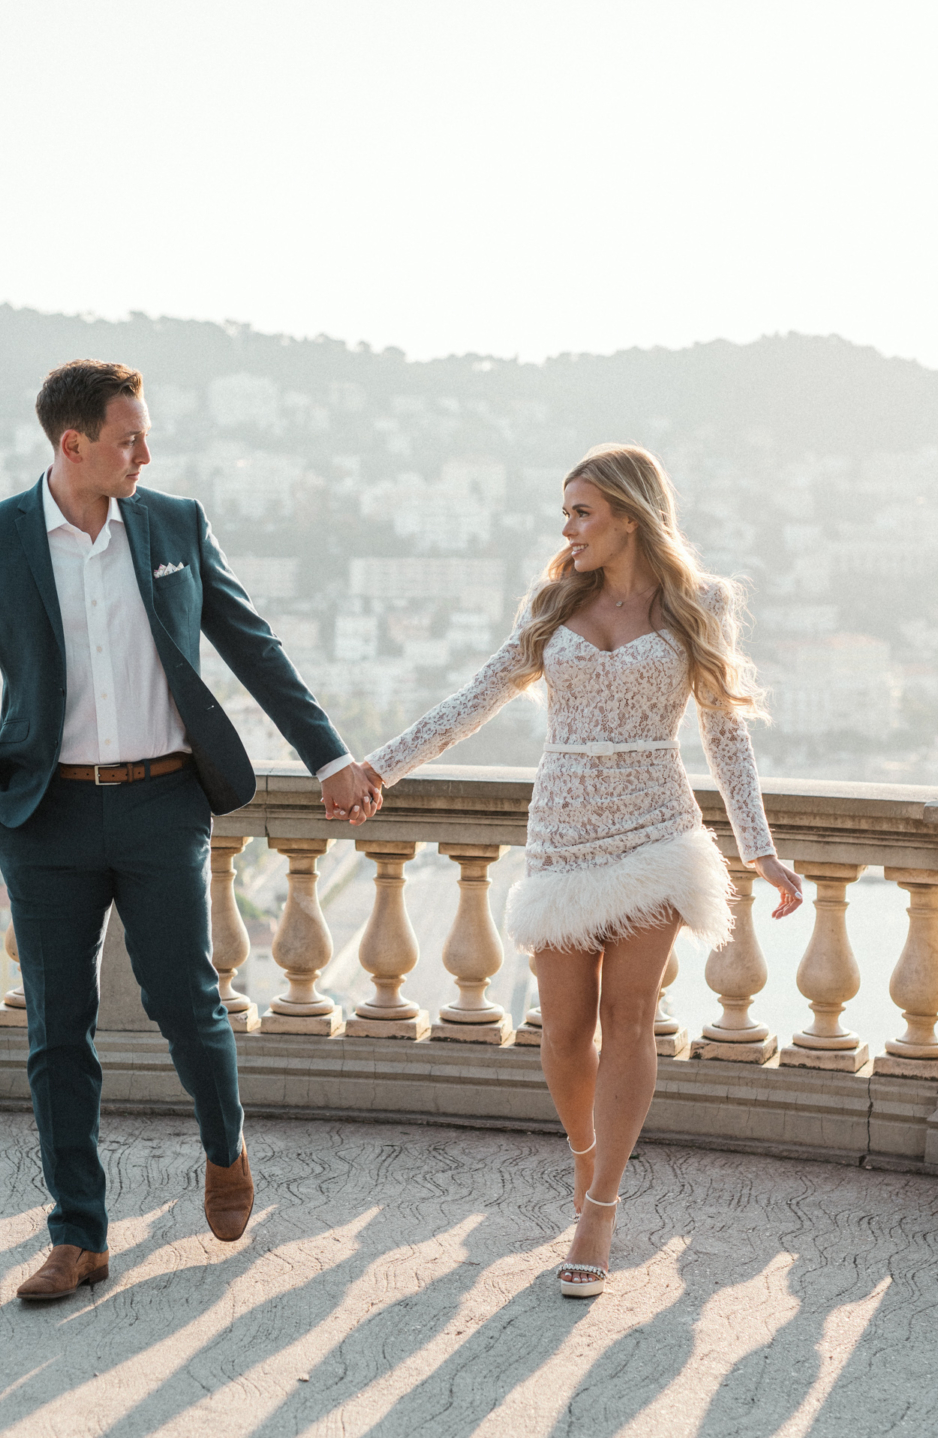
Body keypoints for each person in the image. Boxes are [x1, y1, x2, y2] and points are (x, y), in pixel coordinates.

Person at [0, 359, 382, 1302]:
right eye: (129, 437)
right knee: (58, 1030)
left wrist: (329, 755)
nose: (146, 451)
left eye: (145, 434)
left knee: (186, 1001)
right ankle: (78, 1235)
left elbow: (253, 645)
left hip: (162, 801)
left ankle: (225, 1148)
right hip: (43, 817)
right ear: (73, 445)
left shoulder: (175, 524)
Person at [359, 443, 801, 1298]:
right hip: (562, 829)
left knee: (630, 1015)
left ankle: (599, 1209)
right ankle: (587, 1159)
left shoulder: (695, 604)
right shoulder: (554, 602)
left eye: (581, 512)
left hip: (656, 827)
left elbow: (725, 734)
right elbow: (472, 702)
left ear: (629, 515)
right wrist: (379, 768)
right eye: (566, 512)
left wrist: (760, 850)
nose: (566, 528)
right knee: (563, 1033)